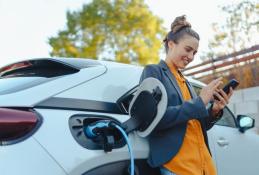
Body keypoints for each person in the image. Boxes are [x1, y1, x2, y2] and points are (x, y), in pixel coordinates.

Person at [139, 15, 233, 175]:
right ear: (171, 44)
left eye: (194, 53)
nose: (191, 57)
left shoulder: (187, 82)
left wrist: (214, 111)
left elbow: (195, 125)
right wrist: (200, 101)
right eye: (188, 49)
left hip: (204, 165)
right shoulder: (154, 72)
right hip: (178, 166)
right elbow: (152, 119)